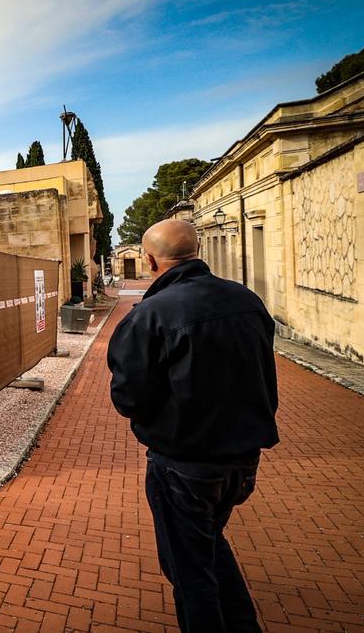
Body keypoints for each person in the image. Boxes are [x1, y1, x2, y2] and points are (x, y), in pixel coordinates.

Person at [107, 219, 278, 632]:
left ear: (149, 260)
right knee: (207, 547)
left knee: (190, 574)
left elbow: (128, 397)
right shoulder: (247, 300)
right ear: (197, 250)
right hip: (242, 461)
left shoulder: (150, 315)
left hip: (185, 465)